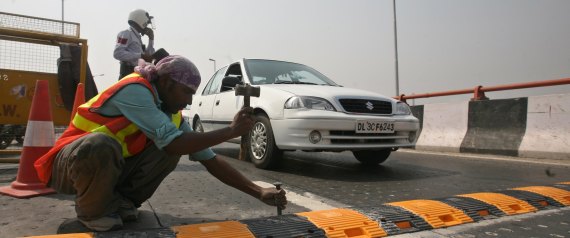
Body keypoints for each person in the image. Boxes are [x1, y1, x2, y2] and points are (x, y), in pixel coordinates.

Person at [34, 55, 287, 231]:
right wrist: (231, 131)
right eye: (186, 91)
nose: (188, 101)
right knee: (103, 144)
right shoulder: (135, 90)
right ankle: (92, 211)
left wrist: (259, 192)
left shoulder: (172, 114)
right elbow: (174, 143)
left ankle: (121, 202)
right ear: (166, 83)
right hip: (67, 166)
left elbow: (211, 160)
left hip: (103, 169)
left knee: (176, 146)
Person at [114, 9, 156, 80]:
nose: (147, 26)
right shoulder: (126, 33)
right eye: (146, 23)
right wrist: (140, 55)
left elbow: (149, 56)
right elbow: (117, 53)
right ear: (141, 21)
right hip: (128, 74)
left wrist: (151, 39)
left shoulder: (137, 37)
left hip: (139, 73)